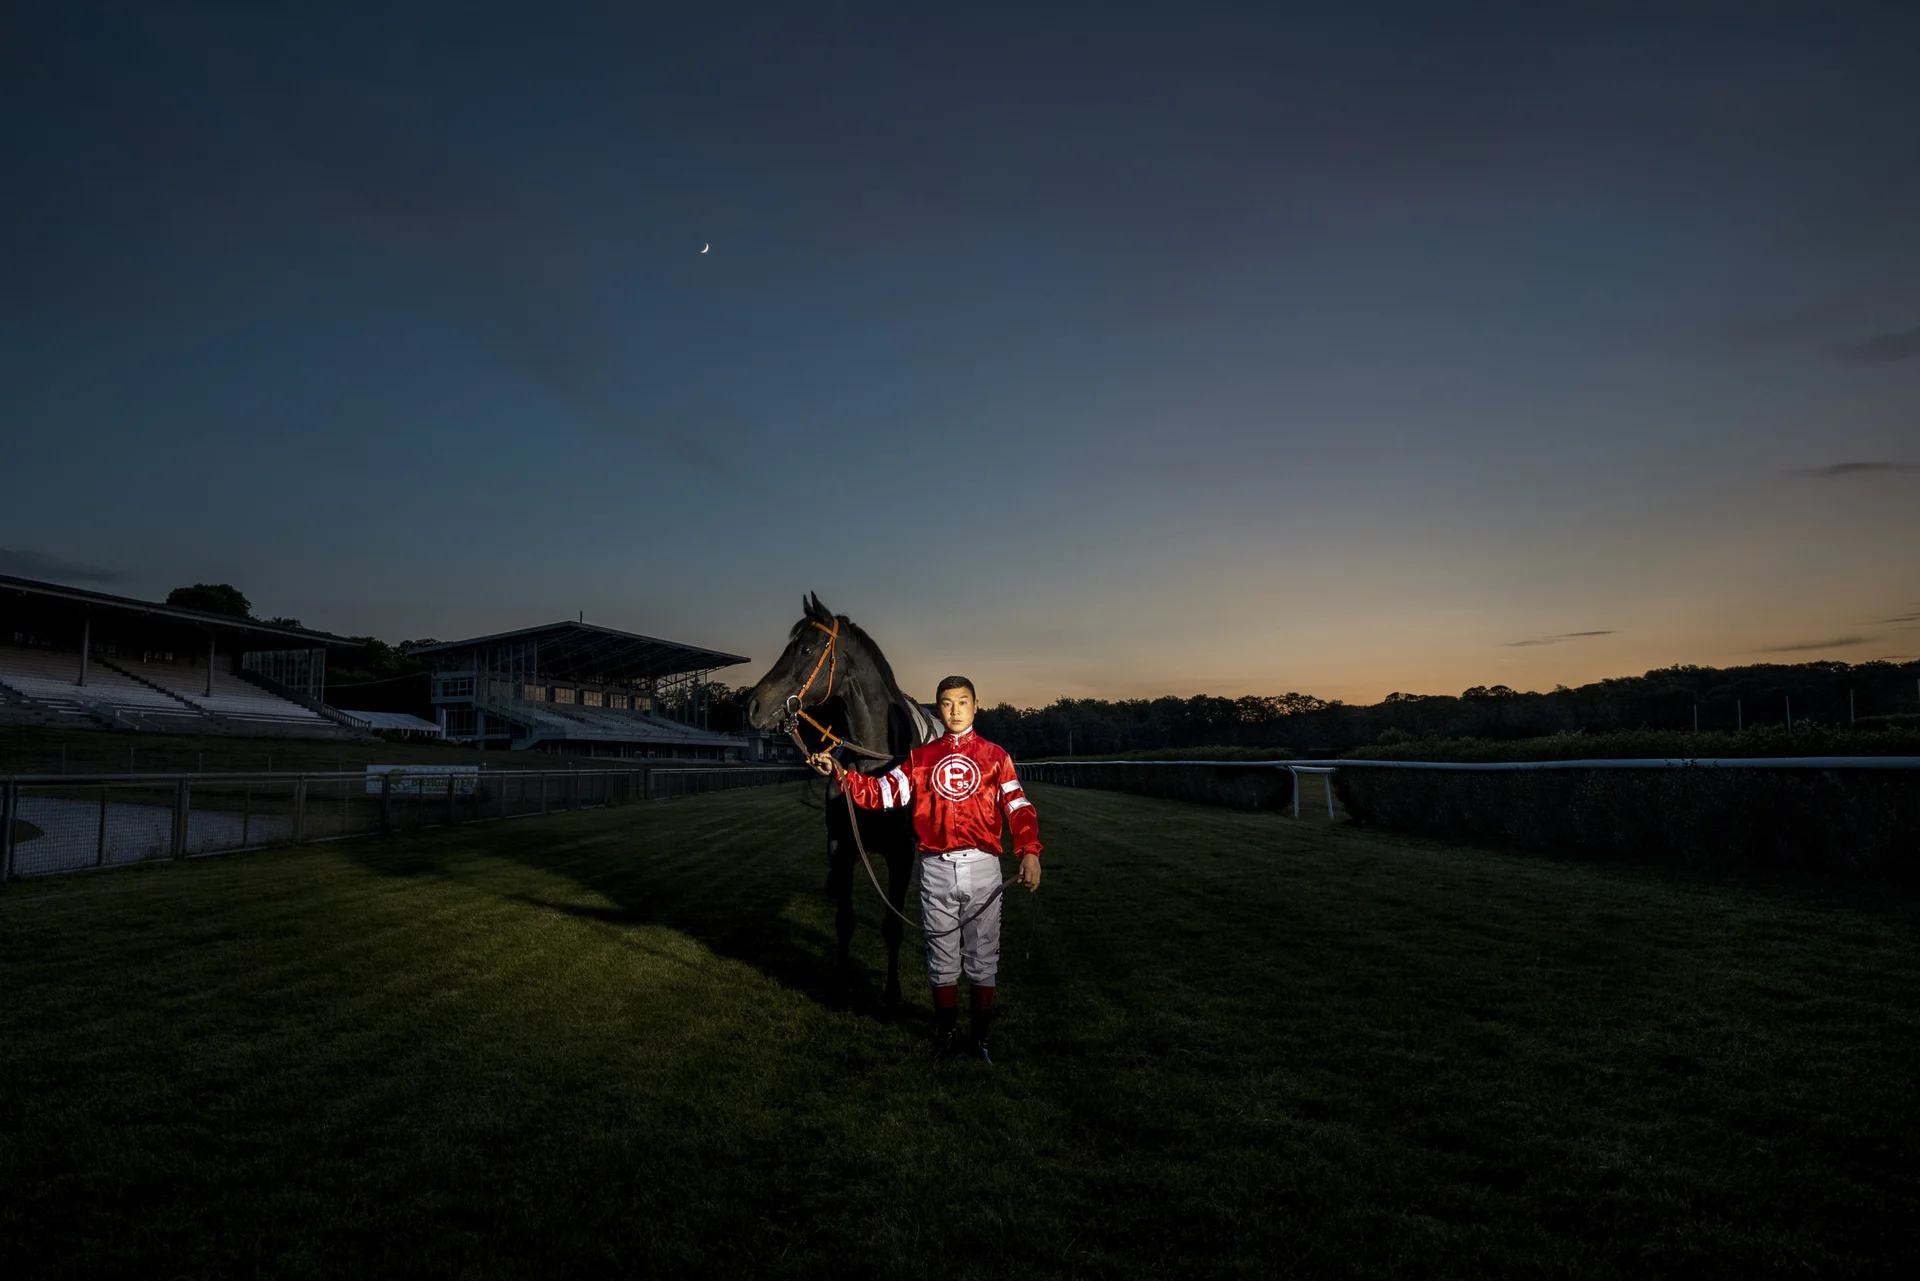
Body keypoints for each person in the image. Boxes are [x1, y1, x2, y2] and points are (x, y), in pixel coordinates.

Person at [811, 675, 1041, 1062]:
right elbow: (880, 793)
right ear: (938, 709)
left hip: (983, 866)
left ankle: (980, 1040)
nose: (955, 710)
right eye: (947, 704)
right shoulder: (920, 759)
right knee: (942, 956)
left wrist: (1029, 852)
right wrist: (839, 772)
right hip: (935, 867)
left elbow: (1017, 806)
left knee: (983, 956)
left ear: (975, 705)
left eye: (962, 702)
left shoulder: (996, 756)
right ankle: (947, 1036)